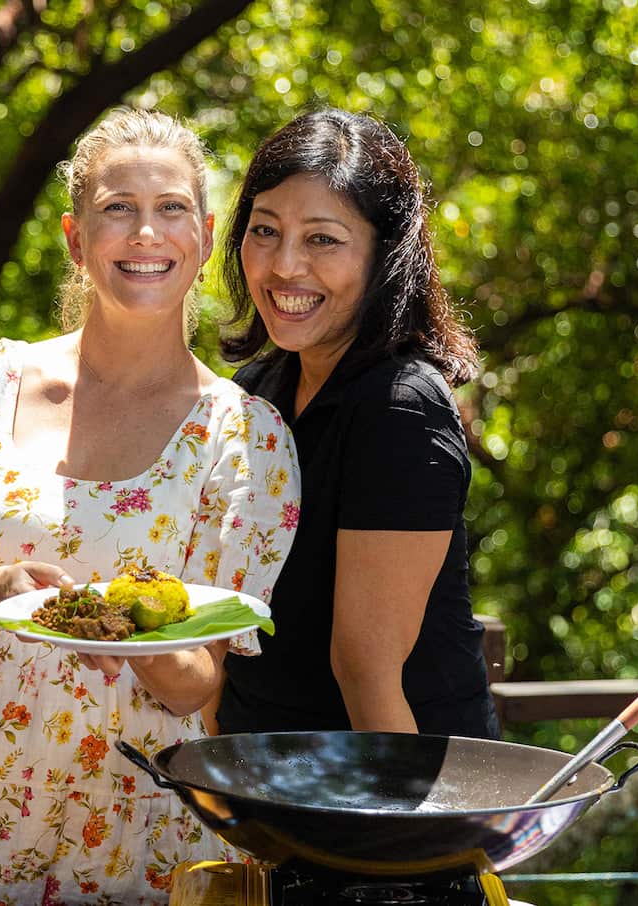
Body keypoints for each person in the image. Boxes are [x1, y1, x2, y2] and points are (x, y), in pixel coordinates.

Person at [0, 108, 299, 906]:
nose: (145, 234)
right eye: (117, 209)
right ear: (74, 236)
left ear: (204, 234)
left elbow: (197, 682)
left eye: (170, 210)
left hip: (132, 812)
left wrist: (132, 643)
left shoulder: (243, 435)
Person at [213, 108, 498, 740]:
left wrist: (398, 839)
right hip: (267, 781)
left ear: (384, 257)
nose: (285, 266)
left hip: (397, 789)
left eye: (323, 239)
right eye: (265, 230)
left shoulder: (401, 405)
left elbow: (365, 669)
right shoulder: (254, 394)